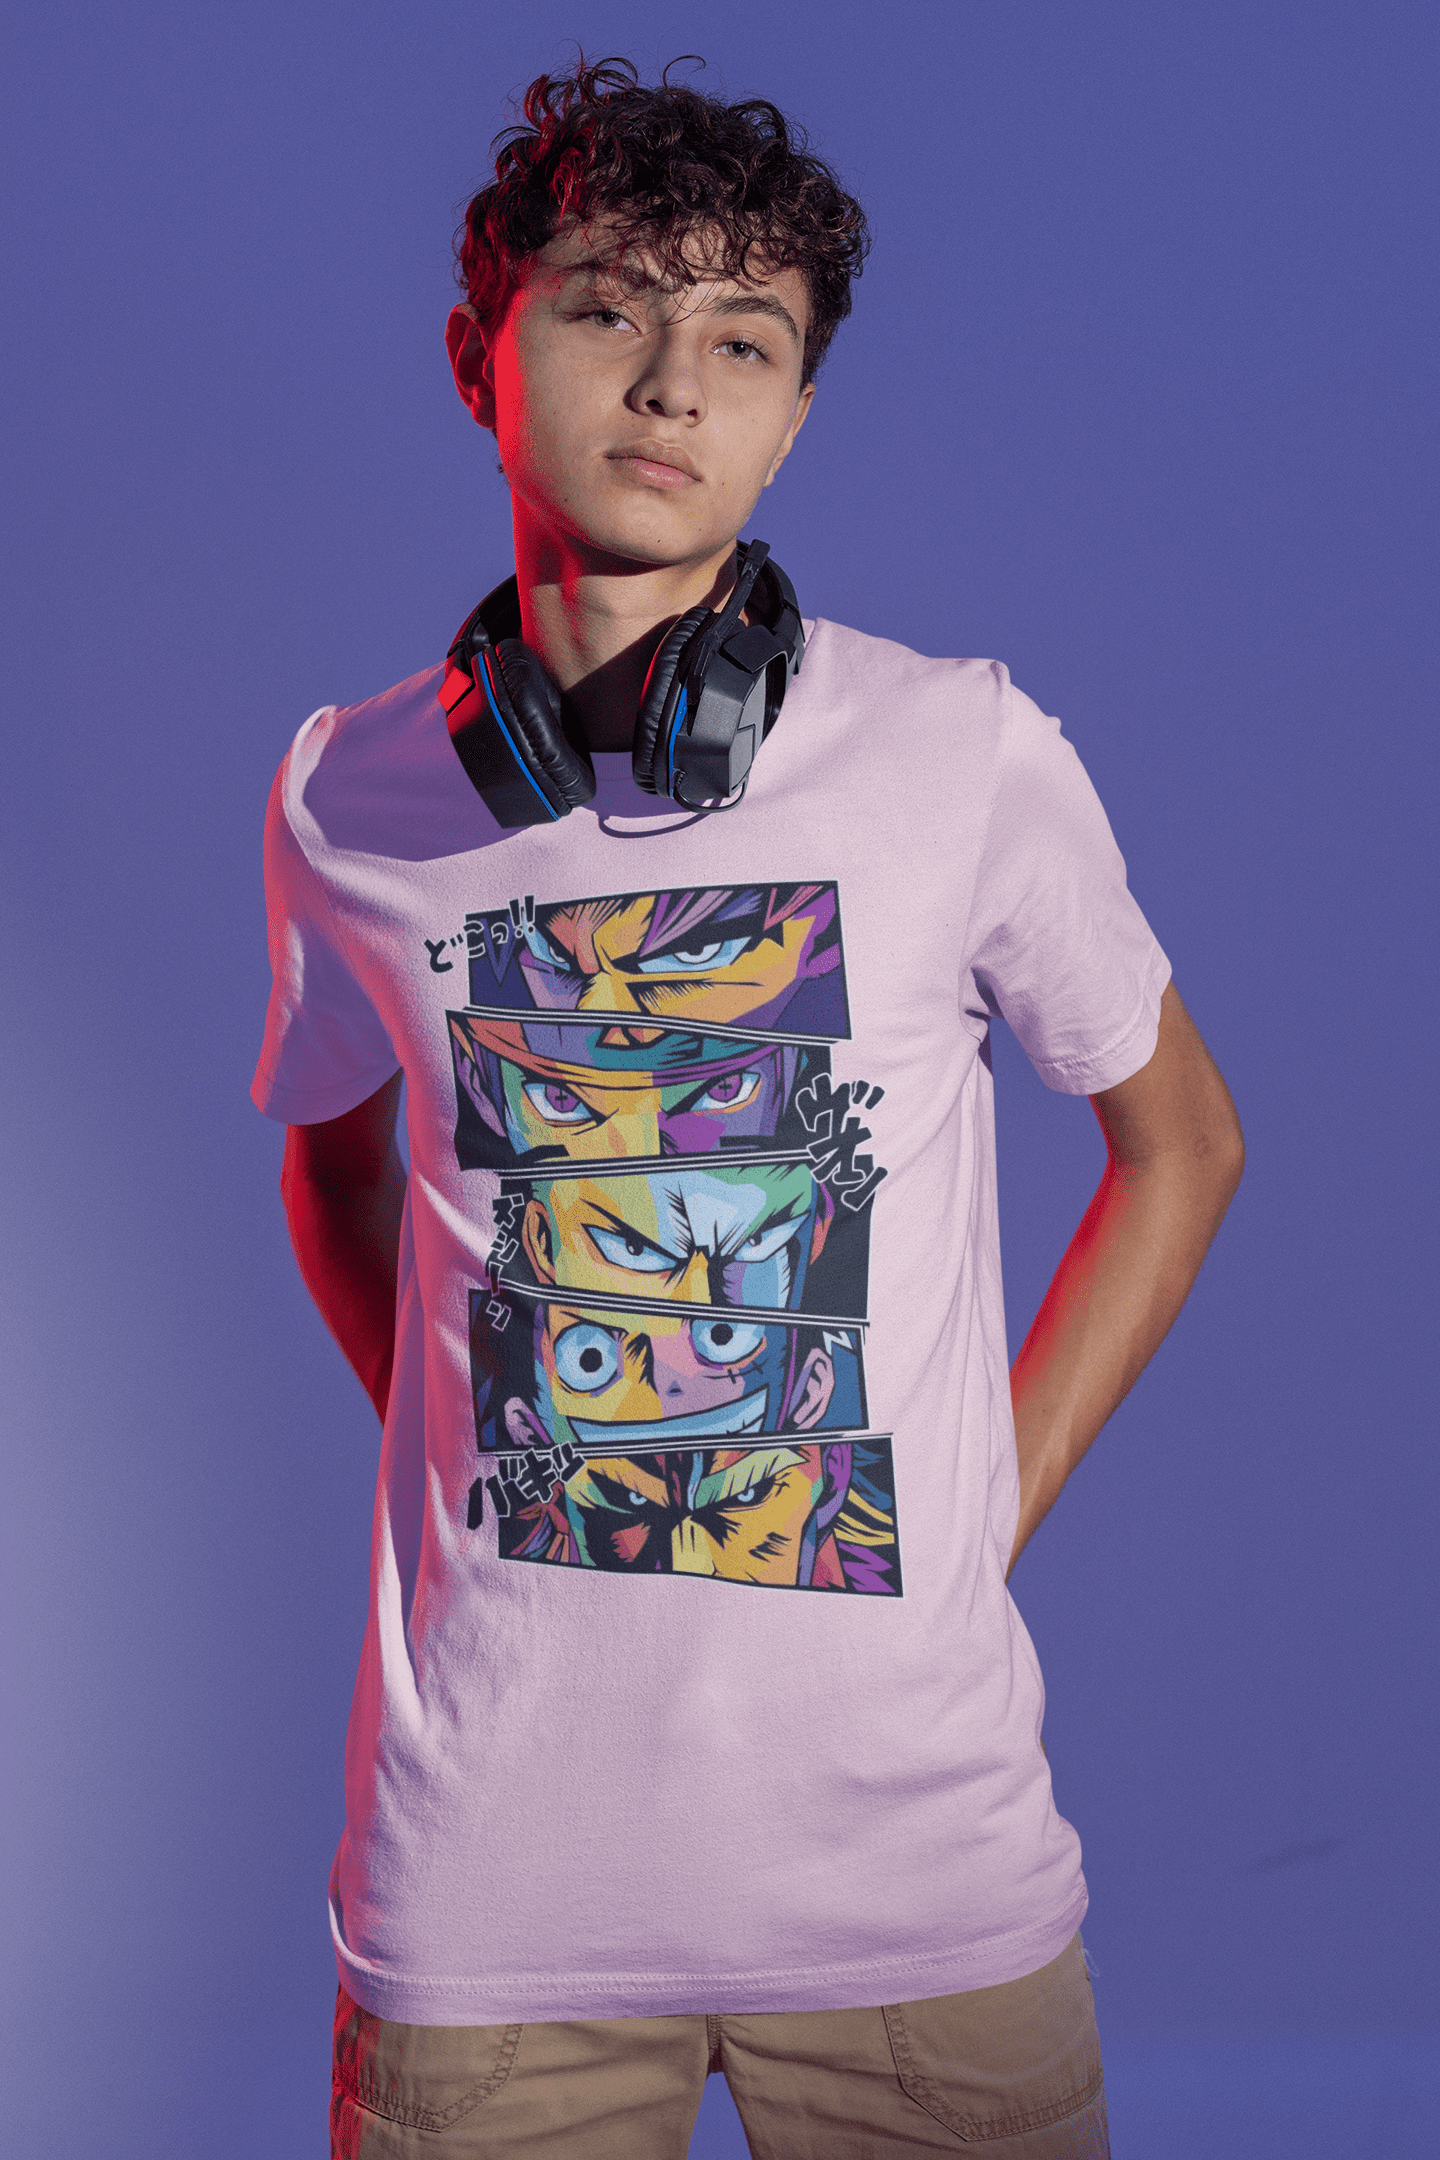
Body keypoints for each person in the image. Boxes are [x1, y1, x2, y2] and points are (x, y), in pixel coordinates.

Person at [252, 56, 1243, 2160]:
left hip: (921, 1898)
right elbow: (331, 1170)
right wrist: (488, 1437)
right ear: (479, 351)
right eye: (609, 308)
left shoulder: (964, 754)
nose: (672, 383)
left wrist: (979, 1511)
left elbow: (1184, 1143)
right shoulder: (345, 796)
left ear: (795, 417)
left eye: (744, 340)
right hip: (488, 1911)